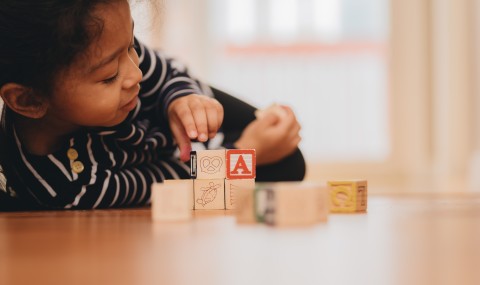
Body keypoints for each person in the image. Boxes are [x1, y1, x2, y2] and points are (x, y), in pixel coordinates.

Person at [0, 0, 305, 211]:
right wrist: (243, 153)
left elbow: (167, 71)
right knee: (289, 166)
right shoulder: (66, 186)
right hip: (170, 169)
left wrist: (180, 100)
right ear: (29, 100)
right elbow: (170, 186)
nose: (136, 73)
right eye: (109, 77)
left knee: (283, 142)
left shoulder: (109, 47)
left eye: (132, 45)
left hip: (171, 115)